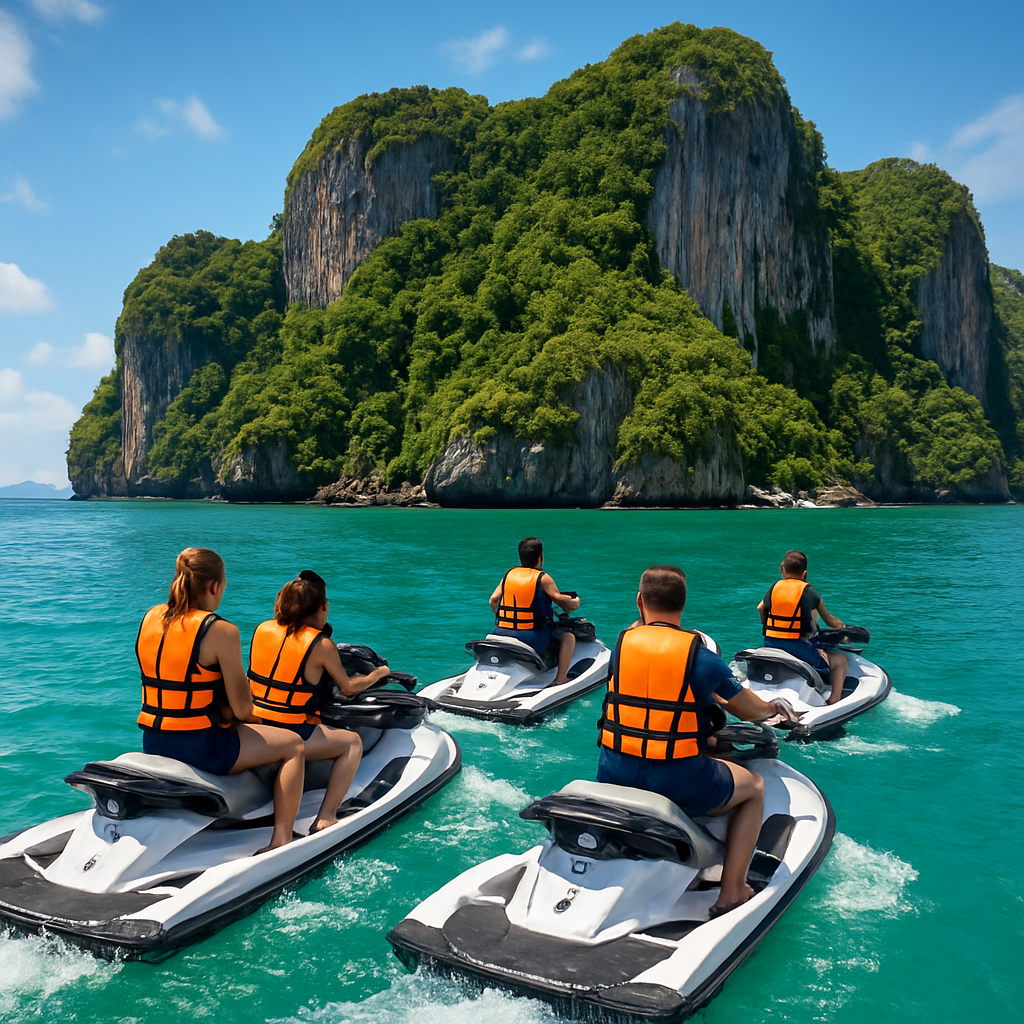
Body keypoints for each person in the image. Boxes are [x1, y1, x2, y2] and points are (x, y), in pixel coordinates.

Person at [597, 565, 797, 917]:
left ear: (640, 601)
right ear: (683, 604)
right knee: (754, 788)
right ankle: (732, 890)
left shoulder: (620, 647)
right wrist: (774, 708)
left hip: (613, 772)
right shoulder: (701, 657)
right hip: (676, 780)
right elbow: (750, 711)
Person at [136, 547, 306, 854]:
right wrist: (266, 718)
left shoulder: (151, 617)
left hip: (154, 740)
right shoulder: (221, 630)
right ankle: (282, 838)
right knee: (293, 745)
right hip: (203, 746)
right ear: (215, 585)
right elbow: (243, 710)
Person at [248, 570, 391, 834]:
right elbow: (348, 688)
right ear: (323, 607)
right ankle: (326, 816)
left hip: (258, 726)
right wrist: (378, 674)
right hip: (293, 732)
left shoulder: (262, 629)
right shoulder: (321, 644)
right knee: (352, 743)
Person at [758, 550, 848, 705]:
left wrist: (766, 625)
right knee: (840, 660)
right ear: (805, 573)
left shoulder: (775, 587)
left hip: (771, 644)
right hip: (797, 647)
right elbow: (829, 619)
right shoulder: (809, 591)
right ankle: (835, 698)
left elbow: (760, 608)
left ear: (782, 568)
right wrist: (842, 626)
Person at [489, 536, 581, 684]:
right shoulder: (543, 578)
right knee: (568, 636)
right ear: (541, 557)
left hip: (501, 632)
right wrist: (575, 602)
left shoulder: (508, 575)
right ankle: (561, 678)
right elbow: (564, 604)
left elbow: (493, 600)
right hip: (531, 638)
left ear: (520, 557)